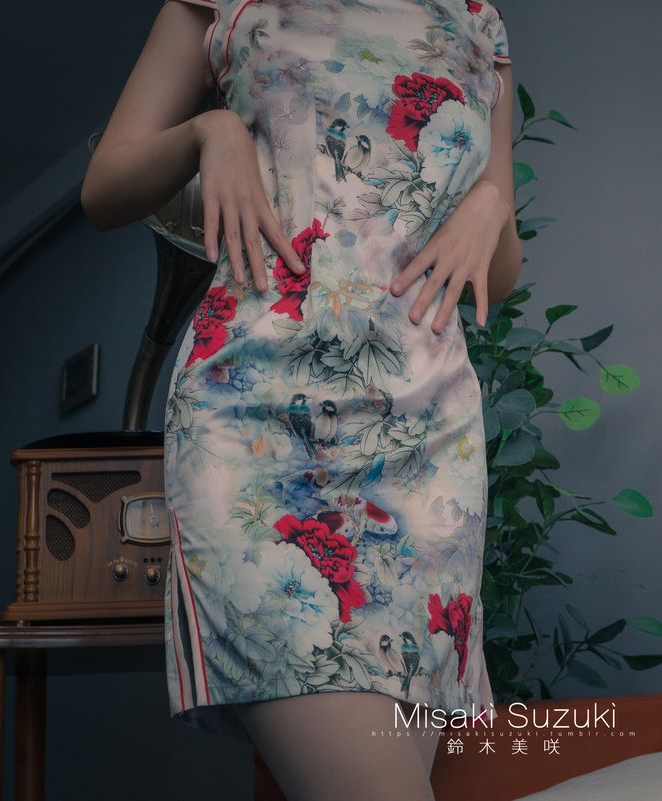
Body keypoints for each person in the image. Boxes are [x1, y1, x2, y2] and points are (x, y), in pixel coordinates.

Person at [81, 1, 521, 798]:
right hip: (258, 428)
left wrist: (493, 203)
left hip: (426, 449)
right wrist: (208, 132)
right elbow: (103, 188)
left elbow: (495, 271)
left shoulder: (476, 20)